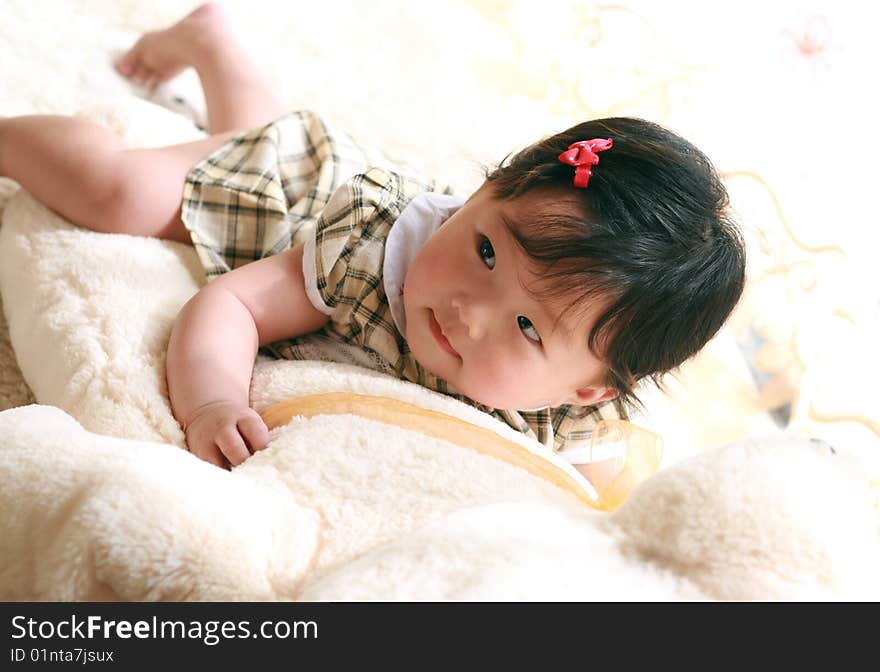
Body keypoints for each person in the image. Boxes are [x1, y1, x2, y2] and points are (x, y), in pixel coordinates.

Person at [0, 3, 745, 473]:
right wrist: (211, 404)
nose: (467, 310)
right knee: (122, 192)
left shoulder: (582, 415)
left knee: (247, 122)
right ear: (480, 194)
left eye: (526, 327)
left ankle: (214, 41)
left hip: (307, 159)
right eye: (486, 250)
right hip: (286, 185)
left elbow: (601, 494)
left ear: (584, 387)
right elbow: (237, 303)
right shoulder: (374, 246)